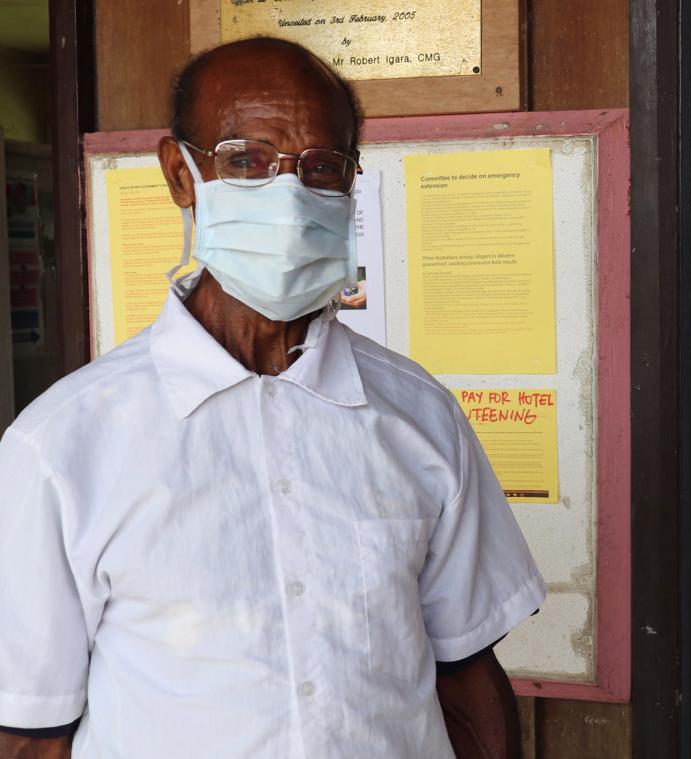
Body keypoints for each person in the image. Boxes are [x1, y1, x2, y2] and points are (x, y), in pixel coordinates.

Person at [0, 38, 545, 759]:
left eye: (321, 166)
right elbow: (33, 733)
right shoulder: (62, 447)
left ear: (350, 184)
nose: (290, 193)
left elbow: (467, 673)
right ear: (181, 175)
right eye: (246, 159)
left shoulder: (419, 417)